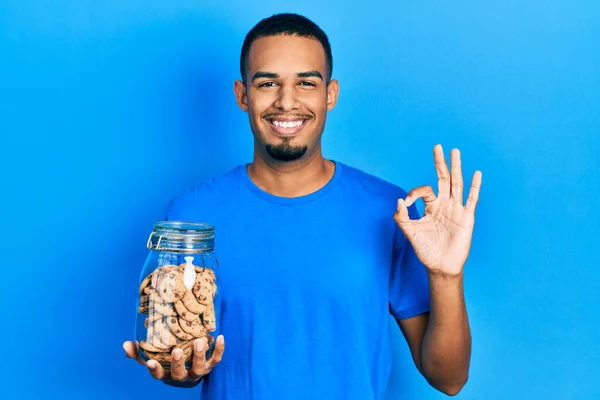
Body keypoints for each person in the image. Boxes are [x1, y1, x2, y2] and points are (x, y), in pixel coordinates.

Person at [123, 12, 482, 399]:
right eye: (267, 83)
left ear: (331, 94)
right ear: (243, 95)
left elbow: (449, 378)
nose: (287, 102)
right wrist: (183, 372)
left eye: (306, 83)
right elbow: (188, 352)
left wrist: (447, 276)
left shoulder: (390, 211)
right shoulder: (191, 216)